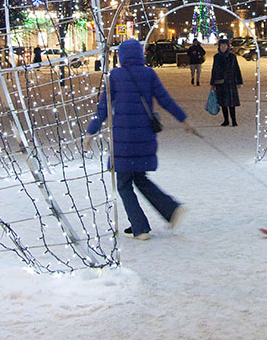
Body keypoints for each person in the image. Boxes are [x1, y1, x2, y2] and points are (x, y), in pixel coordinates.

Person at [84, 39, 192, 240]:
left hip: (123, 140)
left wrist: (91, 132)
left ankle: (140, 228)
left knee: (124, 183)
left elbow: (103, 109)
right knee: (140, 178)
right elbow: (165, 99)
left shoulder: (114, 76)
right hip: (144, 137)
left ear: (122, 56)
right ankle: (170, 209)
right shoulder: (149, 74)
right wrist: (183, 119)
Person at [209, 37, 244, 126]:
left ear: (228, 46)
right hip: (220, 83)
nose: (223, 47)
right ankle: (226, 120)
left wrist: (239, 81)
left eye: (225, 45)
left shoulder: (232, 56)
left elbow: (236, 68)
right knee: (223, 103)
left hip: (230, 82)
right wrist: (212, 83)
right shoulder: (216, 57)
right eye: (221, 46)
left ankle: (234, 120)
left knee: (231, 103)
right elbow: (214, 70)